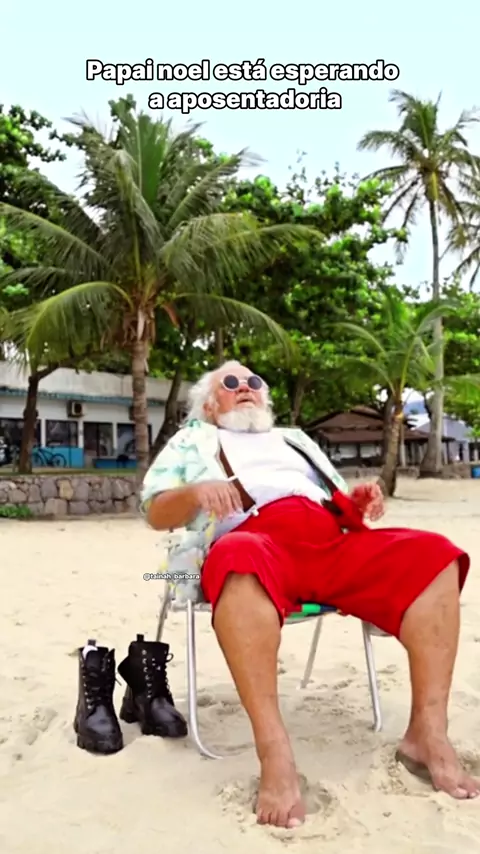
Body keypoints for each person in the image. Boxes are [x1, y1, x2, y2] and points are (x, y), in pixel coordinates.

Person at [141, 360, 476, 828]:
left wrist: (356, 502)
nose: (246, 388)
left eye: (254, 382)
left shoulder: (294, 441)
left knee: (435, 554)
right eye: (231, 383)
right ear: (210, 405)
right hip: (258, 541)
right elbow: (155, 511)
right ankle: (275, 752)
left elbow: (334, 503)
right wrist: (197, 491)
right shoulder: (193, 440)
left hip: (333, 544)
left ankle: (428, 734)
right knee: (237, 556)